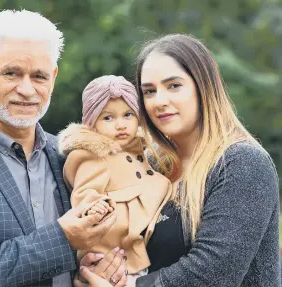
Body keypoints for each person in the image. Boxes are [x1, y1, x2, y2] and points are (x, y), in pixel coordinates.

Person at [0, 10, 121, 287]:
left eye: (39, 76)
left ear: (54, 78)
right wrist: (62, 239)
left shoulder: (70, 157)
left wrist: (90, 270)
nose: (27, 89)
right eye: (12, 73)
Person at [75, 34, 281, 287]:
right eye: (149, 91)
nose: (159, 101)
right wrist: (98, 268)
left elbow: (216, 271)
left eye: (174, 86)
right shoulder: (150, 164)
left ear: (204, 87)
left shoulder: (242, 163)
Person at [58, 75, 172, 285]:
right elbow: (84, 194)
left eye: (128, 115)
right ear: (92, 124)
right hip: (107, 257)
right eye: (108, 118)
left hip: (136, 255)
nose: (120, 125)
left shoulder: (144, 154)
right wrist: (96, 207)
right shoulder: (95, 157)